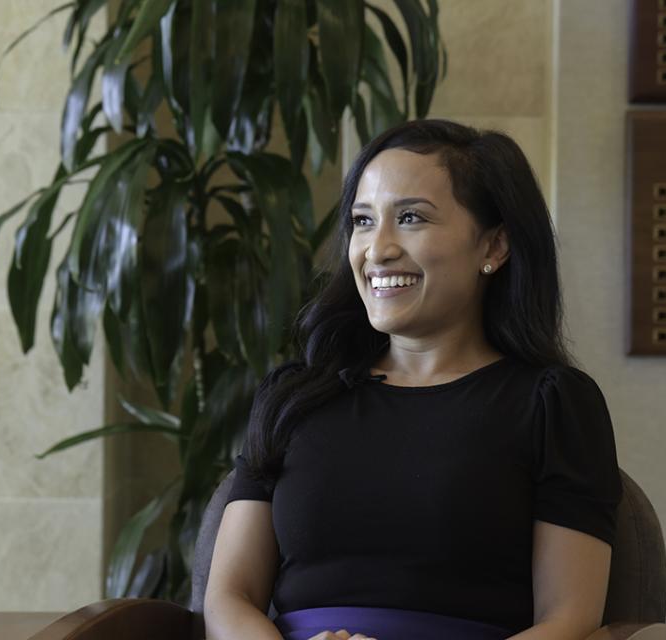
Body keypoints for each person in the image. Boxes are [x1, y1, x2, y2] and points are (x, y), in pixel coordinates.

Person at [203, 119, 623, 640]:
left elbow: (569, 620)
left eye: (409, 218)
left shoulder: (552, 404)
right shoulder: (294, 397)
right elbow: (228, 597)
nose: (376, 249)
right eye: (361, 221)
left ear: (494, 247)